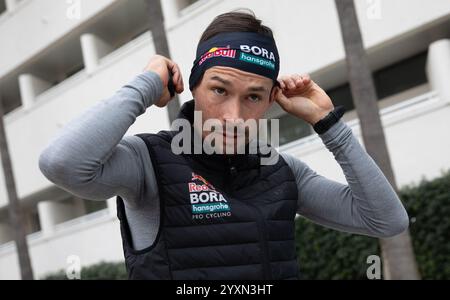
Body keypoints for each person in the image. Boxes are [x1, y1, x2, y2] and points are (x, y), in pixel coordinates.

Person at [39, 11, 409, 280]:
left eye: (252, 97)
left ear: (269, 102)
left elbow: (386, 220)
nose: (233, 115)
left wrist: (328, 124)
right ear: (194, 85)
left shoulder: (282, 171)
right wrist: (148, 83)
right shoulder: (147, 161)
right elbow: (62, 163)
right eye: (219, 89)